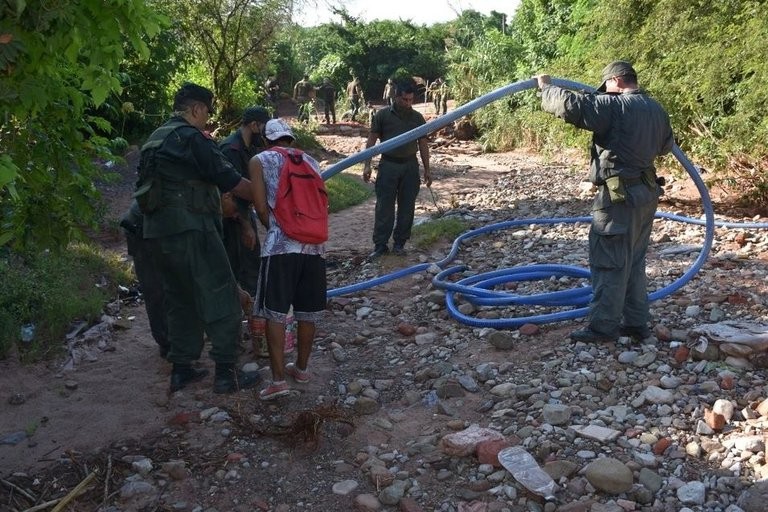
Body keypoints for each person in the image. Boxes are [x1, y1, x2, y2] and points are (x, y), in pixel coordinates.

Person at [534, 61, 674, 343]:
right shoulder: (656, 108)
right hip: (645, 195)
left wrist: (546, 88)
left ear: (617, 81)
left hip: (619, 199)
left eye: (607, 87)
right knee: (633, 261)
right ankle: (636, 324)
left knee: (609, 263)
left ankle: (603, 328)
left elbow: (574, 106)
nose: (605, 92)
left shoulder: (615, 107)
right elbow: (665, 147)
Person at [135, 82, 260, 394]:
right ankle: (225, 374)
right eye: (206, 113)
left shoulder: (155, 138)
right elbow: (233, 182)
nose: (207, 119)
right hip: (191, 228)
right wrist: (270, 195)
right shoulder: (191, 138)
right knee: (220, 293)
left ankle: (182, 369)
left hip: (156, 234)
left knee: (179, 298)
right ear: (196, 109)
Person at [248, 119, 327, 400]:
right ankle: (302, 369)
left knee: (275, 314)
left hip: (281, 248)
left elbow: (259, 206)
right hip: (315, 248)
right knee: (308, 313)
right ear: (290, 139)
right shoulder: (311, 162)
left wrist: (278, 231)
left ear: (267, 140)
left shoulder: (259, 160)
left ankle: (278, 380)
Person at [363, 82, 431, 258]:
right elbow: (371, 141)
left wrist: (427, 169)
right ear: (396, 97)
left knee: (407, 206)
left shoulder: (417, 118)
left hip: (410, 165)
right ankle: (380, 244)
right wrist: (367, 164)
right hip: (388, 165)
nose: (407, 103)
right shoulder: (382, 116)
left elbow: (423, 144)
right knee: (384, 206)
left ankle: (400, 243)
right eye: (404, 100)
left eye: (410, 100)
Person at [219, 106, 271, 296]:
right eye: (263, 128)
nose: (265, 133)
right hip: (232, 216)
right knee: (239, 266)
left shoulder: (251, 148)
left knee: (252, 263)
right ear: (253, 125)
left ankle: (253, 310)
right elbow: (230, 194)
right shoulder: (230, 149)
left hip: (244, 212)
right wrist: (245, 225)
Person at [120, 200, 168, 359]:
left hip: (150, 225)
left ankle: (171, 343)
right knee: (155, 289)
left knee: (161, 289)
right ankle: (167, 344)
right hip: (141, 230)